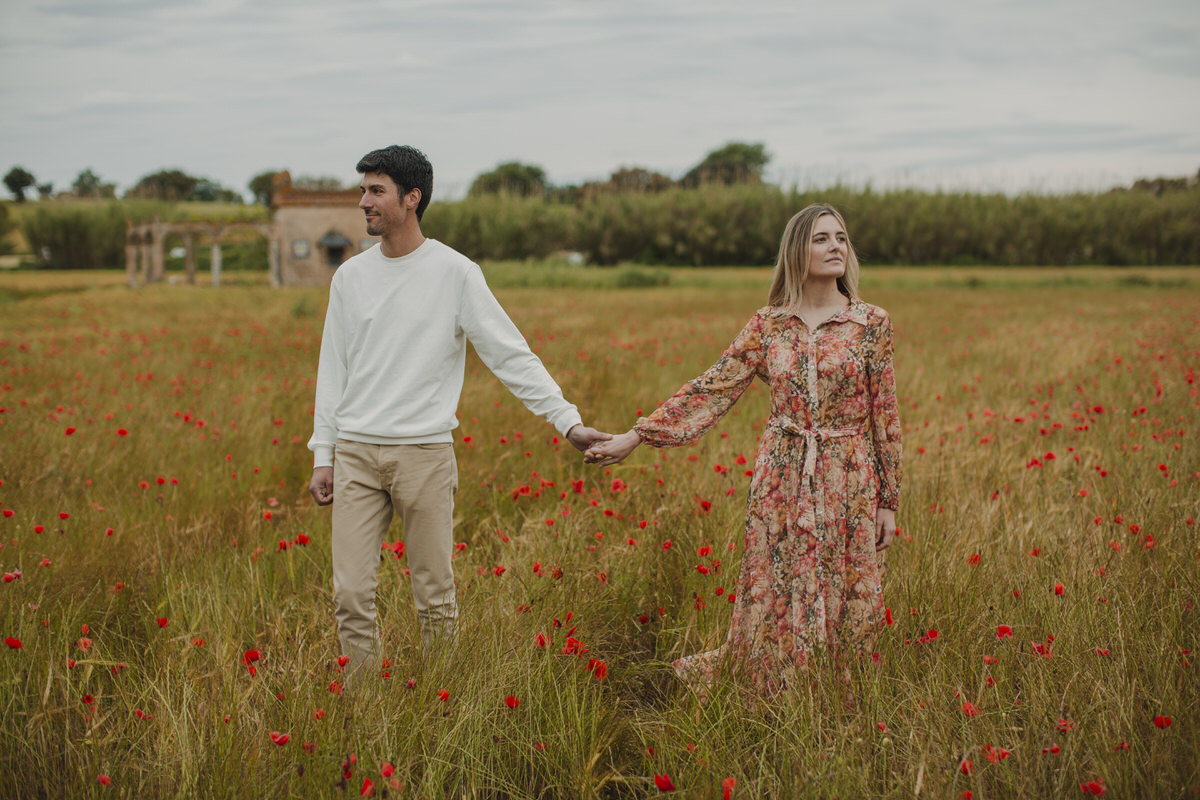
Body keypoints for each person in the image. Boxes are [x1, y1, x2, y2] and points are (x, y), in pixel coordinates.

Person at [308, 145, 610, 677]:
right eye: (363, 190)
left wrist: (567, 420)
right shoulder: (349, 279)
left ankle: (439, 703)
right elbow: (332, 371)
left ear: (412, 198)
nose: (363, 202)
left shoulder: (455, 273)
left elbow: (510, 354)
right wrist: (323, 454)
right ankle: (364, 711)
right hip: (355, 452)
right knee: (351, 594)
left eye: (376, 190)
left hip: (423, 453)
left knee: (435, 596)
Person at [585, 203, 901, 695]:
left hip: (848, 475)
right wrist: (638, 434)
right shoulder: (768, 325)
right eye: (821, 238)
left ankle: (835, 694)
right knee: (776, 583)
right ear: (797, 250)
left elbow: (886, 415)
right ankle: (774, 690)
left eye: (841, 238)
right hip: (783, 473)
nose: (835, 246)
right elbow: (714, 388)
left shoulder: (870, 323)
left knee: (846, 585)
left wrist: (888, 500)